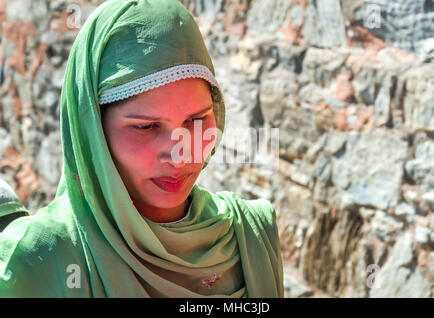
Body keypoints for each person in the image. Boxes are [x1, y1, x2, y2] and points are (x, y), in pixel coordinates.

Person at [0, 0, 284, 297]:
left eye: (196, 119)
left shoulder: (251, 237)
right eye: (146, 127)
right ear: (93, 131)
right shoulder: (35, 263)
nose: (180, 153)